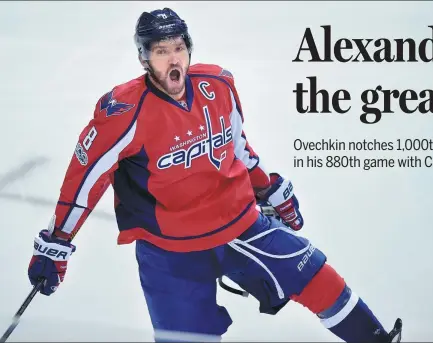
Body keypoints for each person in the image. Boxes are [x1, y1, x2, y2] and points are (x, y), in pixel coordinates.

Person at [27, 7, 403, 343]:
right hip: (168, 249)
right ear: (145, 60)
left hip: (238, 222)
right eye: (161, 51)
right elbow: (85, 180)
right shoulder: (123, 112)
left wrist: (268, 188)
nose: (173, 59)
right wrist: (57, 241)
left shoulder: (219, 86)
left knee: (317, 275)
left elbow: (237, 147)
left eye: (178, 48)